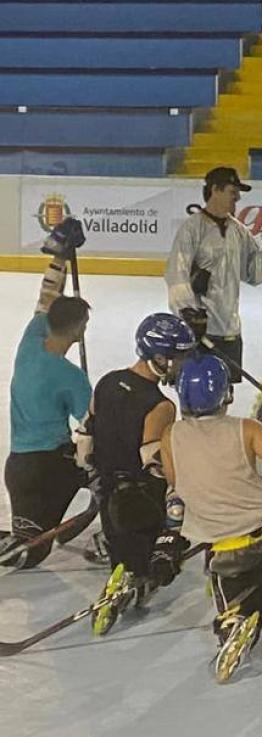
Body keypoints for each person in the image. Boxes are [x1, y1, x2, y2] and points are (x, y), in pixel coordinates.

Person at [160, 354, 262, 682]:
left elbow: (175, 488)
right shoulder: (248, 429)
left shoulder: (171, 436)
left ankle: (234, 624)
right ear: (226, 394)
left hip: (225, 547)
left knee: (238, 605)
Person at [83, 313, 198, 635]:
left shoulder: (106, 381)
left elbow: (84, 440)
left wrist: (97, 483)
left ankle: (123, 563)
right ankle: (140, 571)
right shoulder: (161, 406)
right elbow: (156, 467)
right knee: (170, 547)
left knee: (126, 549)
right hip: (139, 504)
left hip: (108, 499)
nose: (182, 364)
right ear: (159, 358)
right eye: (179, 357)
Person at [0, 218, 93, 568]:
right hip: (50, 466)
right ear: (79, 331)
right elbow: (90, 429)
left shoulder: (31, 339)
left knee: (29, 547)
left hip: (18, 466)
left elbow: (47, 297)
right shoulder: (71, 378)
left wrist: (60, 259)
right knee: (107, 478)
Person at [165, 166, 262, 383]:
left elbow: (254, 274)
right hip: (200, 331)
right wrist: (189, 315)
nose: (238, 197)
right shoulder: (191, 229)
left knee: (224, 396)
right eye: (233, 191)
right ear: (215, 190)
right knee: (195, 393)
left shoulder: (238, 231)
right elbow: (177, 274)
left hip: (230, 330)